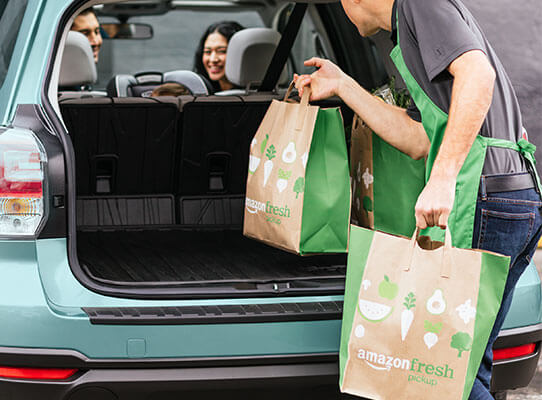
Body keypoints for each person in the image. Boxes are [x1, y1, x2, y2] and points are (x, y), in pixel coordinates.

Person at [293, 0, 541, 398]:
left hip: (483, 195)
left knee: (442, 372)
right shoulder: (403, 33)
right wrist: (344, 85)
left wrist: (443, 180)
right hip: (510, 196)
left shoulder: (418, 4)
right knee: (462, 364)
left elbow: (478, 73)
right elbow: (419, 140)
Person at [194, 21, 244, 92]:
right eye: (208, 52)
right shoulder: (199, 93)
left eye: (222, 51)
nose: (213, 59)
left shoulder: (259, 96)